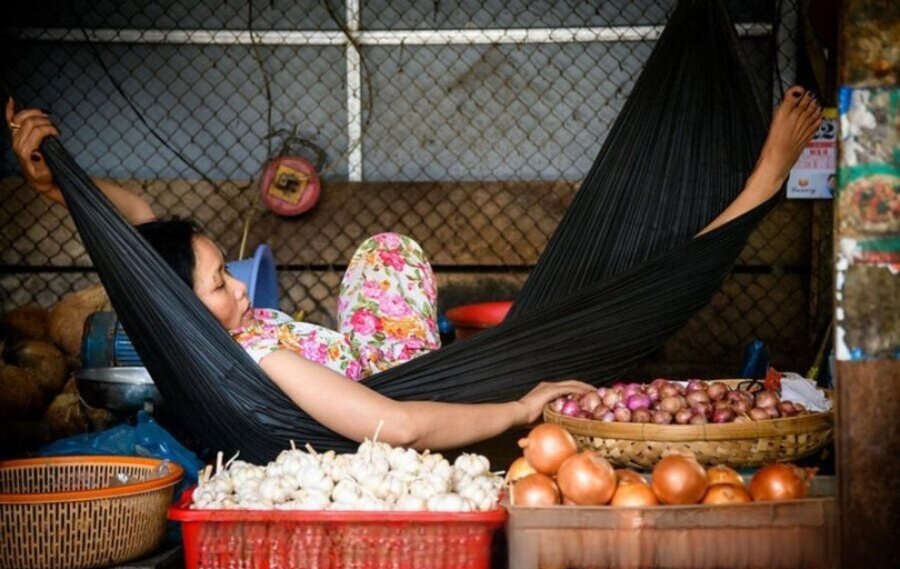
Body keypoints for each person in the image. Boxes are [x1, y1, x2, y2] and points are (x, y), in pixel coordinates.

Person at [5, 87, 821, 448]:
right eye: (217, 284)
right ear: (183, 313)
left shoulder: (197, 321)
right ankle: (757, 190)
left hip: (379, 361)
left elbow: (145, 223)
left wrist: (58, 187)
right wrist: (518, 406)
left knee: (383, 250)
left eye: (223, 270)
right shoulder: (260, 362)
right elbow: (398, 426)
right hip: (395, 391)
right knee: (603, 304)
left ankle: (743, 197)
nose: (232, 287)